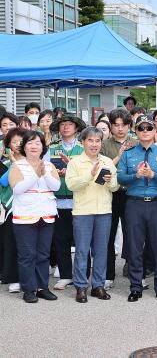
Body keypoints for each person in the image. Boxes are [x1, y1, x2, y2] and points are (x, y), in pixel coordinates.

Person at [117, 116, 157, 302]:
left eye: (149, 127)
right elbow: (120, 178)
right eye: (142, 128)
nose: (146, 131)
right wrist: (136, 175)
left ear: (155, 130)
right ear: (137, 131)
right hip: (134, 203)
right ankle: (135, 286)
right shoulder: (128, 153)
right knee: (134, 246)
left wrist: (153, 174)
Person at [65, 127, 119, 303]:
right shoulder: (75, 162)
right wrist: (90, 174)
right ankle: (81, 287)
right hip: (83, 212)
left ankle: (98, 286)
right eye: (90, 140)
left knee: (101, 251)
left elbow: (115, 187)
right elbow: (72, 185)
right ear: (83, 142)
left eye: (97, 141)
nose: (94, 144)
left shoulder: (108, 161)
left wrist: (110, 181)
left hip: (104, 210)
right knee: (81, 250)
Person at [10, 130, 61, 303]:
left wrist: (44, 172)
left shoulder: (49, 165)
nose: (34, 146)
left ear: (43, 147)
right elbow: (17, 189)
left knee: (43, 254)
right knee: (27, 255)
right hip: (25, 216)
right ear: (24, 146)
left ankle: (42, 287)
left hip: (46, 215)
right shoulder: (18, 165)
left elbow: (55, 186)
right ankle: (29, 289)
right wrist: (35, 175)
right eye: (30, 143)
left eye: (38, 143)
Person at [48, 114, 86, 290]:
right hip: (58, 202)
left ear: (77, 128)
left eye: (70, 124)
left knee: (81, 241)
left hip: (78, 201)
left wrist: (69, 167)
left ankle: (82, 274)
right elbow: (45, 170)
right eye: (63, 124)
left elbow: (87, 171)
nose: (66, 127)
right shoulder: (51, 148)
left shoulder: (82, 148)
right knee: (61, 240)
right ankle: (65, 275)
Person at [101, 109, 138, 288]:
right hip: (111, 194)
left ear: (129, 126)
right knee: (109, 235)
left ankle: (134, 272)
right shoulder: (104, 145)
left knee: (133, 235)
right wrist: (119, 156)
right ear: (111, 126)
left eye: (124, 125)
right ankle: (108, 274)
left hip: (132, 193)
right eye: (116, 125)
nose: (120, 129)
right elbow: (102, 170)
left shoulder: (137, 143)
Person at [0, 128, 27, 294]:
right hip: (11, 208)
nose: (18, 144)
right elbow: (4, 182)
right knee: (11, 243)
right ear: (9, 145)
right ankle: (13, 277)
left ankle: (30, 277)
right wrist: (15, 164)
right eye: (14, 141)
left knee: (28, 245)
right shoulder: (7, 163)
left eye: (21, 141)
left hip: (29, 208)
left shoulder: (34, 161)